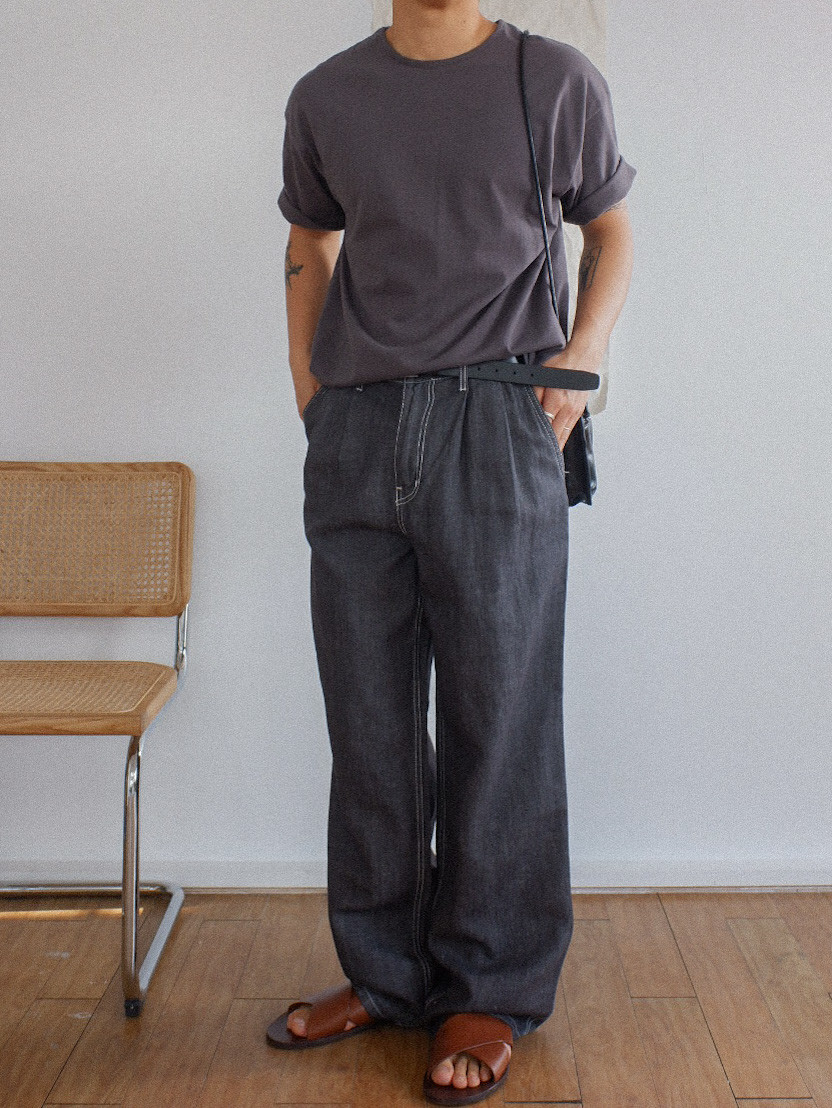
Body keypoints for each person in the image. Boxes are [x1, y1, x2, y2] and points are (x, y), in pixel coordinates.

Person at [267, 2, 635, 1103]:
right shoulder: (326, 95)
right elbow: (308, 244)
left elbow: (611, 230)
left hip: (498, 417)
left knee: (499, 718)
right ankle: (385, 975)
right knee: (368, 719)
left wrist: (576, 371)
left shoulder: (551, 78)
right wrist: (314, 400)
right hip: (359, 430)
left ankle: (489, 986)